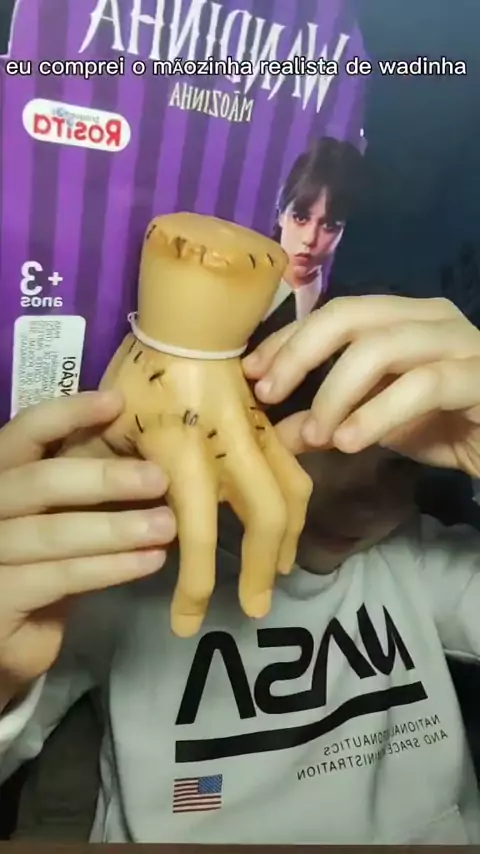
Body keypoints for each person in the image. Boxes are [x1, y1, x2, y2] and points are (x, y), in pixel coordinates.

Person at [1, 295, 480, 843]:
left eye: (397, 467)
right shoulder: (132, 568)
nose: (365, 501)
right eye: (332, 451)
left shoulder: (413, 558)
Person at [260, 137, 365, 336]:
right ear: (281, 212)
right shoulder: (235, 284)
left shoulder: (342, 321)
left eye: (329, 226)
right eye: (300, 218)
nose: (309, 239)